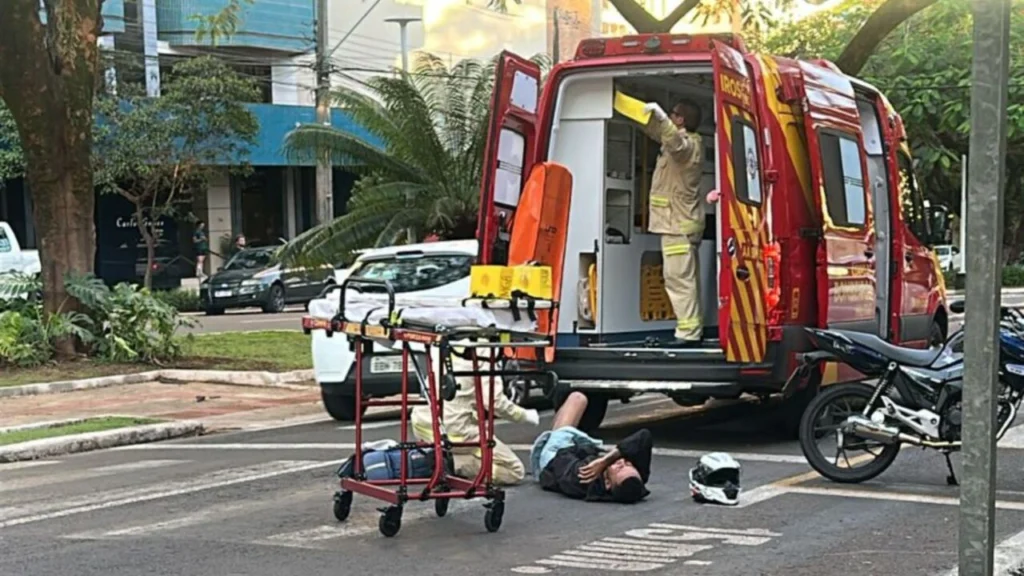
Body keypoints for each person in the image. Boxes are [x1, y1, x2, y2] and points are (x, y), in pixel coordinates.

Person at [411, 342, 540, 485]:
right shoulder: (484, 347)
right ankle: (452, 464)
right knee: (514, 471)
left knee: (472, 446)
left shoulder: (442, 336)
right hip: (456, 434)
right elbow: (494, 402)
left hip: (422, 423)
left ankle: (437, 458)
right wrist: (526, 416)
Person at [636, 99, 706, 347]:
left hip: (676, 224)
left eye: (674, 114)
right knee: (686, 278)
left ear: (680, 120)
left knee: (679, 279)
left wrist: (661, 117)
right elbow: (661, 135)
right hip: (682, 222)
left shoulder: (687, 145)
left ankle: (688, 334)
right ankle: (692, 330)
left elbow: (675, 142)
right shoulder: (692, 143)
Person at [530, 391, 652, 503]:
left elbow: (561, 456)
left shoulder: (581, 478)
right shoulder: (634, 479)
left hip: (553, 459)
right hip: (578, 455)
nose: (621, 461)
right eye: (628, 464)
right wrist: (606, 460)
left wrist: (588, 448)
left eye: (619, 468)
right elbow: (644, 436)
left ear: (607, 483)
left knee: (578, 399)